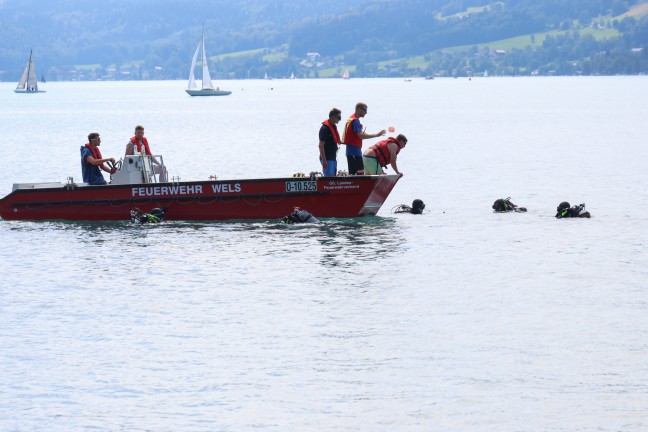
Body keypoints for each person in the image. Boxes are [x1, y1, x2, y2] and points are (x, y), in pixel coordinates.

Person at [342, 102, 385, 174]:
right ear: (359, 109)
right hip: (354, 151)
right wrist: (376, 135)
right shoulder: (355, 121)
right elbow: (360, 136)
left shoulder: (352, 118)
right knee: (358, 173)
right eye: (365, 110)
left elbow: (357, 135)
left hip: (353, 151)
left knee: (358, 173)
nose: (366, 113)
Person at [318, 108, 342, 176]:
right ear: (333, 117)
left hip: (333, 157)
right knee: (329, 179)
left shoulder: (333, 127)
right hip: (327, 159)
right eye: (338, 117)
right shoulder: (325, 129)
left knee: (333, 177)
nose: (340, 119)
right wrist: (324, 161)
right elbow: (321, 145)